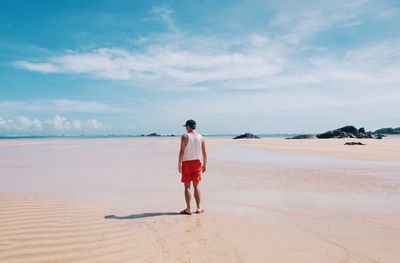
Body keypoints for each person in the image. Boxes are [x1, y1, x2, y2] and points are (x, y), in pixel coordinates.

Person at [178, 119, 207, 215]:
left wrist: (179, 164)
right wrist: (205, 164)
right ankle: (198, 208)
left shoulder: (185, 136)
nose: (186, 128)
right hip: (197, 163)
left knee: (187, 187)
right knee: (196, 186)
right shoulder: (201, 137)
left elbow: (182, 151)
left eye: (186, 127)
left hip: (187, 163)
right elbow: (204, 152)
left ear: (188, 127)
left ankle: (188, 209)